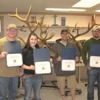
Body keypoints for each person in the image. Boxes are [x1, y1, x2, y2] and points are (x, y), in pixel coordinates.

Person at [22, 33, 52, 100]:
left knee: (37, 96)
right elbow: (20, 64)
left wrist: (48, 60)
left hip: (38, 77)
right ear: (28, 40)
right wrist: (29, 67)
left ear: (37, 40)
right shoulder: (24, 50)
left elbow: (42, 61)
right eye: (32, 39)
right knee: (27, 96)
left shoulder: (40, 50)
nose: (33, 41)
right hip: (28, 77)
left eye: (35, 39)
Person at [52, 29, 80, 100]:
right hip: (60, 71)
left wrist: (77, 58)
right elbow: (52, 59)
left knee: (72, 86)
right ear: (61, 35)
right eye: (63, 34)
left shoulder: (72, 44)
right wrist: (56, 60)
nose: (65, 35)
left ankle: (73, 98)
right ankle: (63, 98)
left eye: (66, 34)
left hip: (71, 71)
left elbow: (77, 54)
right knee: (62, 86)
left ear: (68, 35)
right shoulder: (55, 46)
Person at [0, 24, 25, 100]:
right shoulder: (1, 42)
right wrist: (0, 55)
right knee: (2, 94)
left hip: (15, 73)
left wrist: (22, 69)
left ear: (17, 32)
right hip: (3, 73)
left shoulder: (20, 43)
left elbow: (23, 57)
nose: (12, 31)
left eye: (14, 30)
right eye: (10, 30)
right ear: (7, 31)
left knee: (13, 94)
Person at [81, 25, 100, 100]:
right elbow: (83, 52)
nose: (96, 33)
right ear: (92, 32)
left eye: (98, 31)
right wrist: (86, 64)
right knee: (90, 87)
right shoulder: (88, 42)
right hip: (91, 69)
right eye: (95, 31)